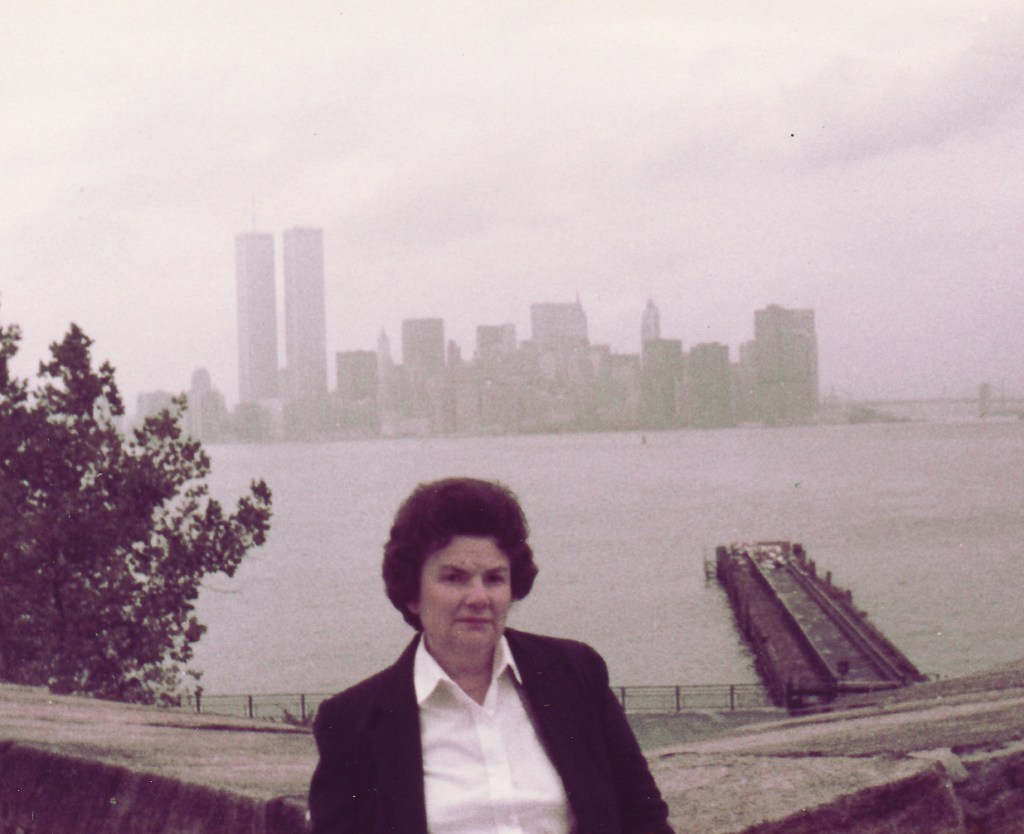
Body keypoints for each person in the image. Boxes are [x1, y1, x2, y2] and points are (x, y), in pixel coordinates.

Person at [308, 477, 675, 834]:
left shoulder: (575, 674)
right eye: (454, 578)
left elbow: (643, 817)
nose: (479, 597)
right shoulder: (353, 723)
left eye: (494, 578)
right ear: (411, 593)